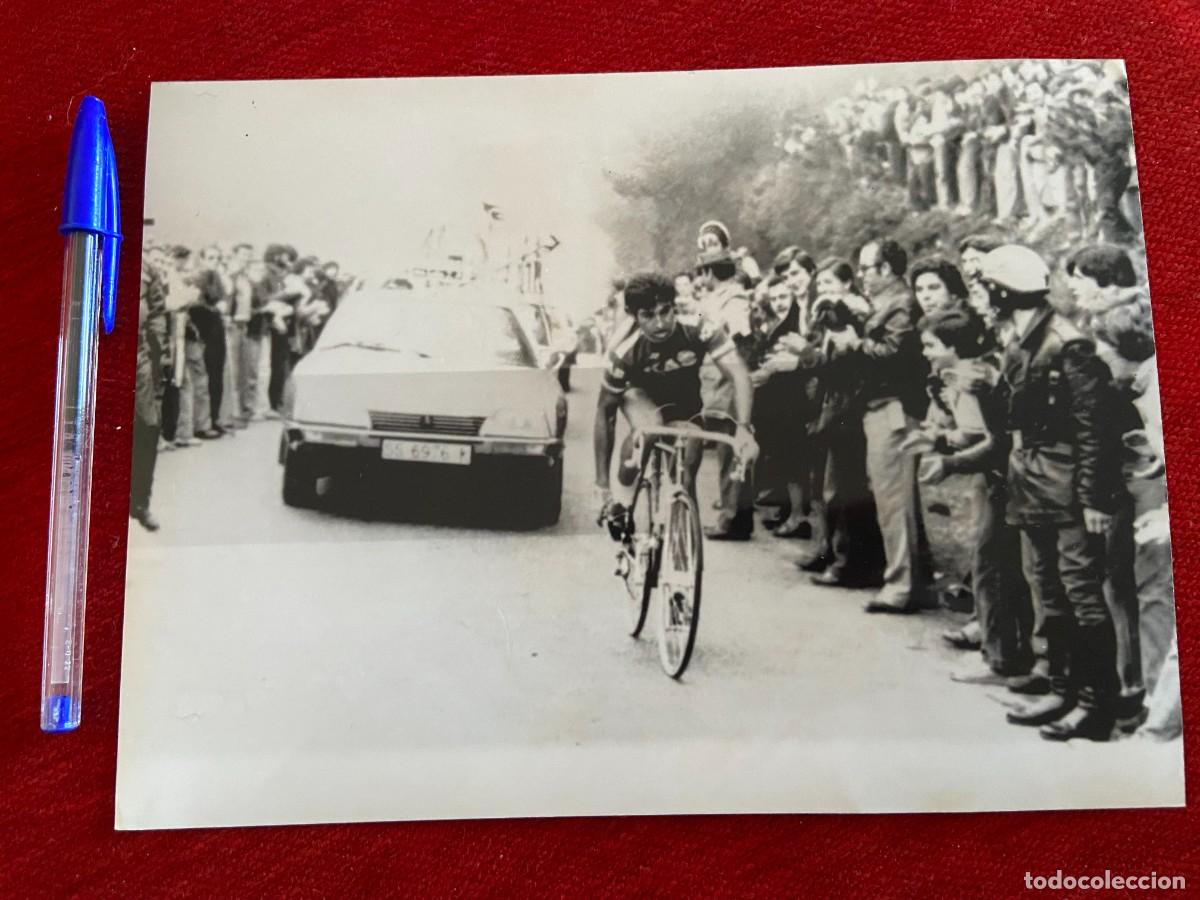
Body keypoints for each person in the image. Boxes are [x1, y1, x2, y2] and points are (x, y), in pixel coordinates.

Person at [981, 244, 1124, 741]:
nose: (982, 297)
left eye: (985, 287)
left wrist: (1092, 499)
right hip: (1035, 479)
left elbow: (1094, 430)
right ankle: (1063, 690)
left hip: (1062, 482)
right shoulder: (1026, 337)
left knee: (1081, 592)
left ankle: (1095, 704)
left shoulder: (1067, 343)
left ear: (1002, 290)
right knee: (1051, 590)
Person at [911, 305, 1035, 684]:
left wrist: (949, 462)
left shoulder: (970, 380)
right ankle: (1011, 654)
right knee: (1001, 567)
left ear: (953, 346)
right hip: (1011, 478)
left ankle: (998, 659)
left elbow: (992, 443)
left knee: (991, 566)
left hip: (1007, 480)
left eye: (931, 345)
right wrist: (942, 439)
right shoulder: (978, 370)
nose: (926, 352)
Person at [593, 272, 757, 525]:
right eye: (648, 315)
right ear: (634, 316)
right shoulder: (624, 350)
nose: (660, 324)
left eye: (665, 311)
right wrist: (602, 482)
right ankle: (626, 494)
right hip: (640, 399)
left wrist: (744, 429)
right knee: (650, 426)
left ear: (674, 307)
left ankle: (682, 544)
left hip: (685, 405)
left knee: (685, 474)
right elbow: (605, 412)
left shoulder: (700, 328)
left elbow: (739, 374)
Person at [837, 239, 930, 612]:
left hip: (891, 408)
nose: (861, 275)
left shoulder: (901, 304)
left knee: (893, 498)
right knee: (896, 496)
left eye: (866, 268)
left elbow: (892, 356)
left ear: (887, 270)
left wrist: (854, 342)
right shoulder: (892, 303)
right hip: (884, 406)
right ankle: (913, 580)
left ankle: (901, 584)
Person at [695, 245, 757, 540]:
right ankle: (734, 516)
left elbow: (741, 342)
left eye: (702, 272)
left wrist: (731, 378)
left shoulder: (733, 299)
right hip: (721, 384)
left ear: (710, 272)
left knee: (731, 452)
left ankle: (732, 520)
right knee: (726, 451)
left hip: (731, 385)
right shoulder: (718, 298)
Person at [749, 275, 808, 537]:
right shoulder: (774, 323)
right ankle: (786, 511)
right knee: (781, 457)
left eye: (783, 297)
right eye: (774, 298)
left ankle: (798, 516)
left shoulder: (797, 322)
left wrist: (769, 368)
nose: (779, 303)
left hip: (791, 397)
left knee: (793, 458)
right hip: (775, 399)